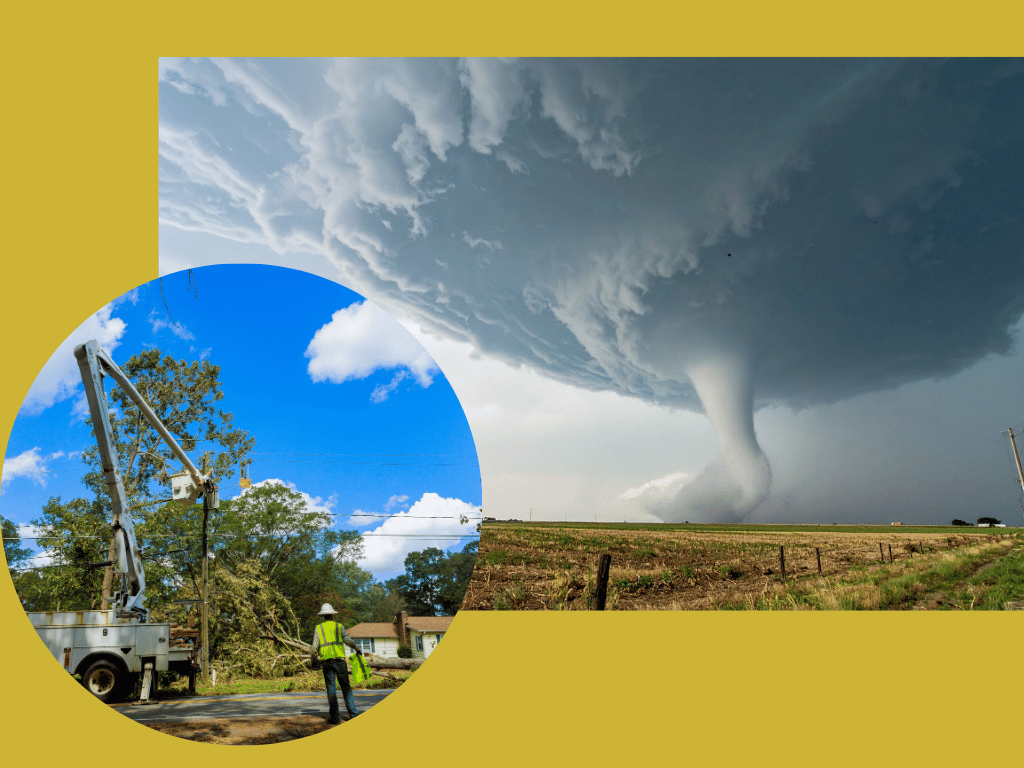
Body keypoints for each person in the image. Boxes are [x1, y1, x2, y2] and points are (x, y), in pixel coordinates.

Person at [311, 603, 363, 723]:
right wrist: (357, 649)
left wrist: (313, 661)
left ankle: (335, 718)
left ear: (323, 616)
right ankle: (354, 715)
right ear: (332, 615)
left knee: (331, 689)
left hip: (327, 663)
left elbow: (314, 648)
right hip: (340, 661)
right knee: (346, 688)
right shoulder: (339, 626)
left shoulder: (319, 628)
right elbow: (347, 640)